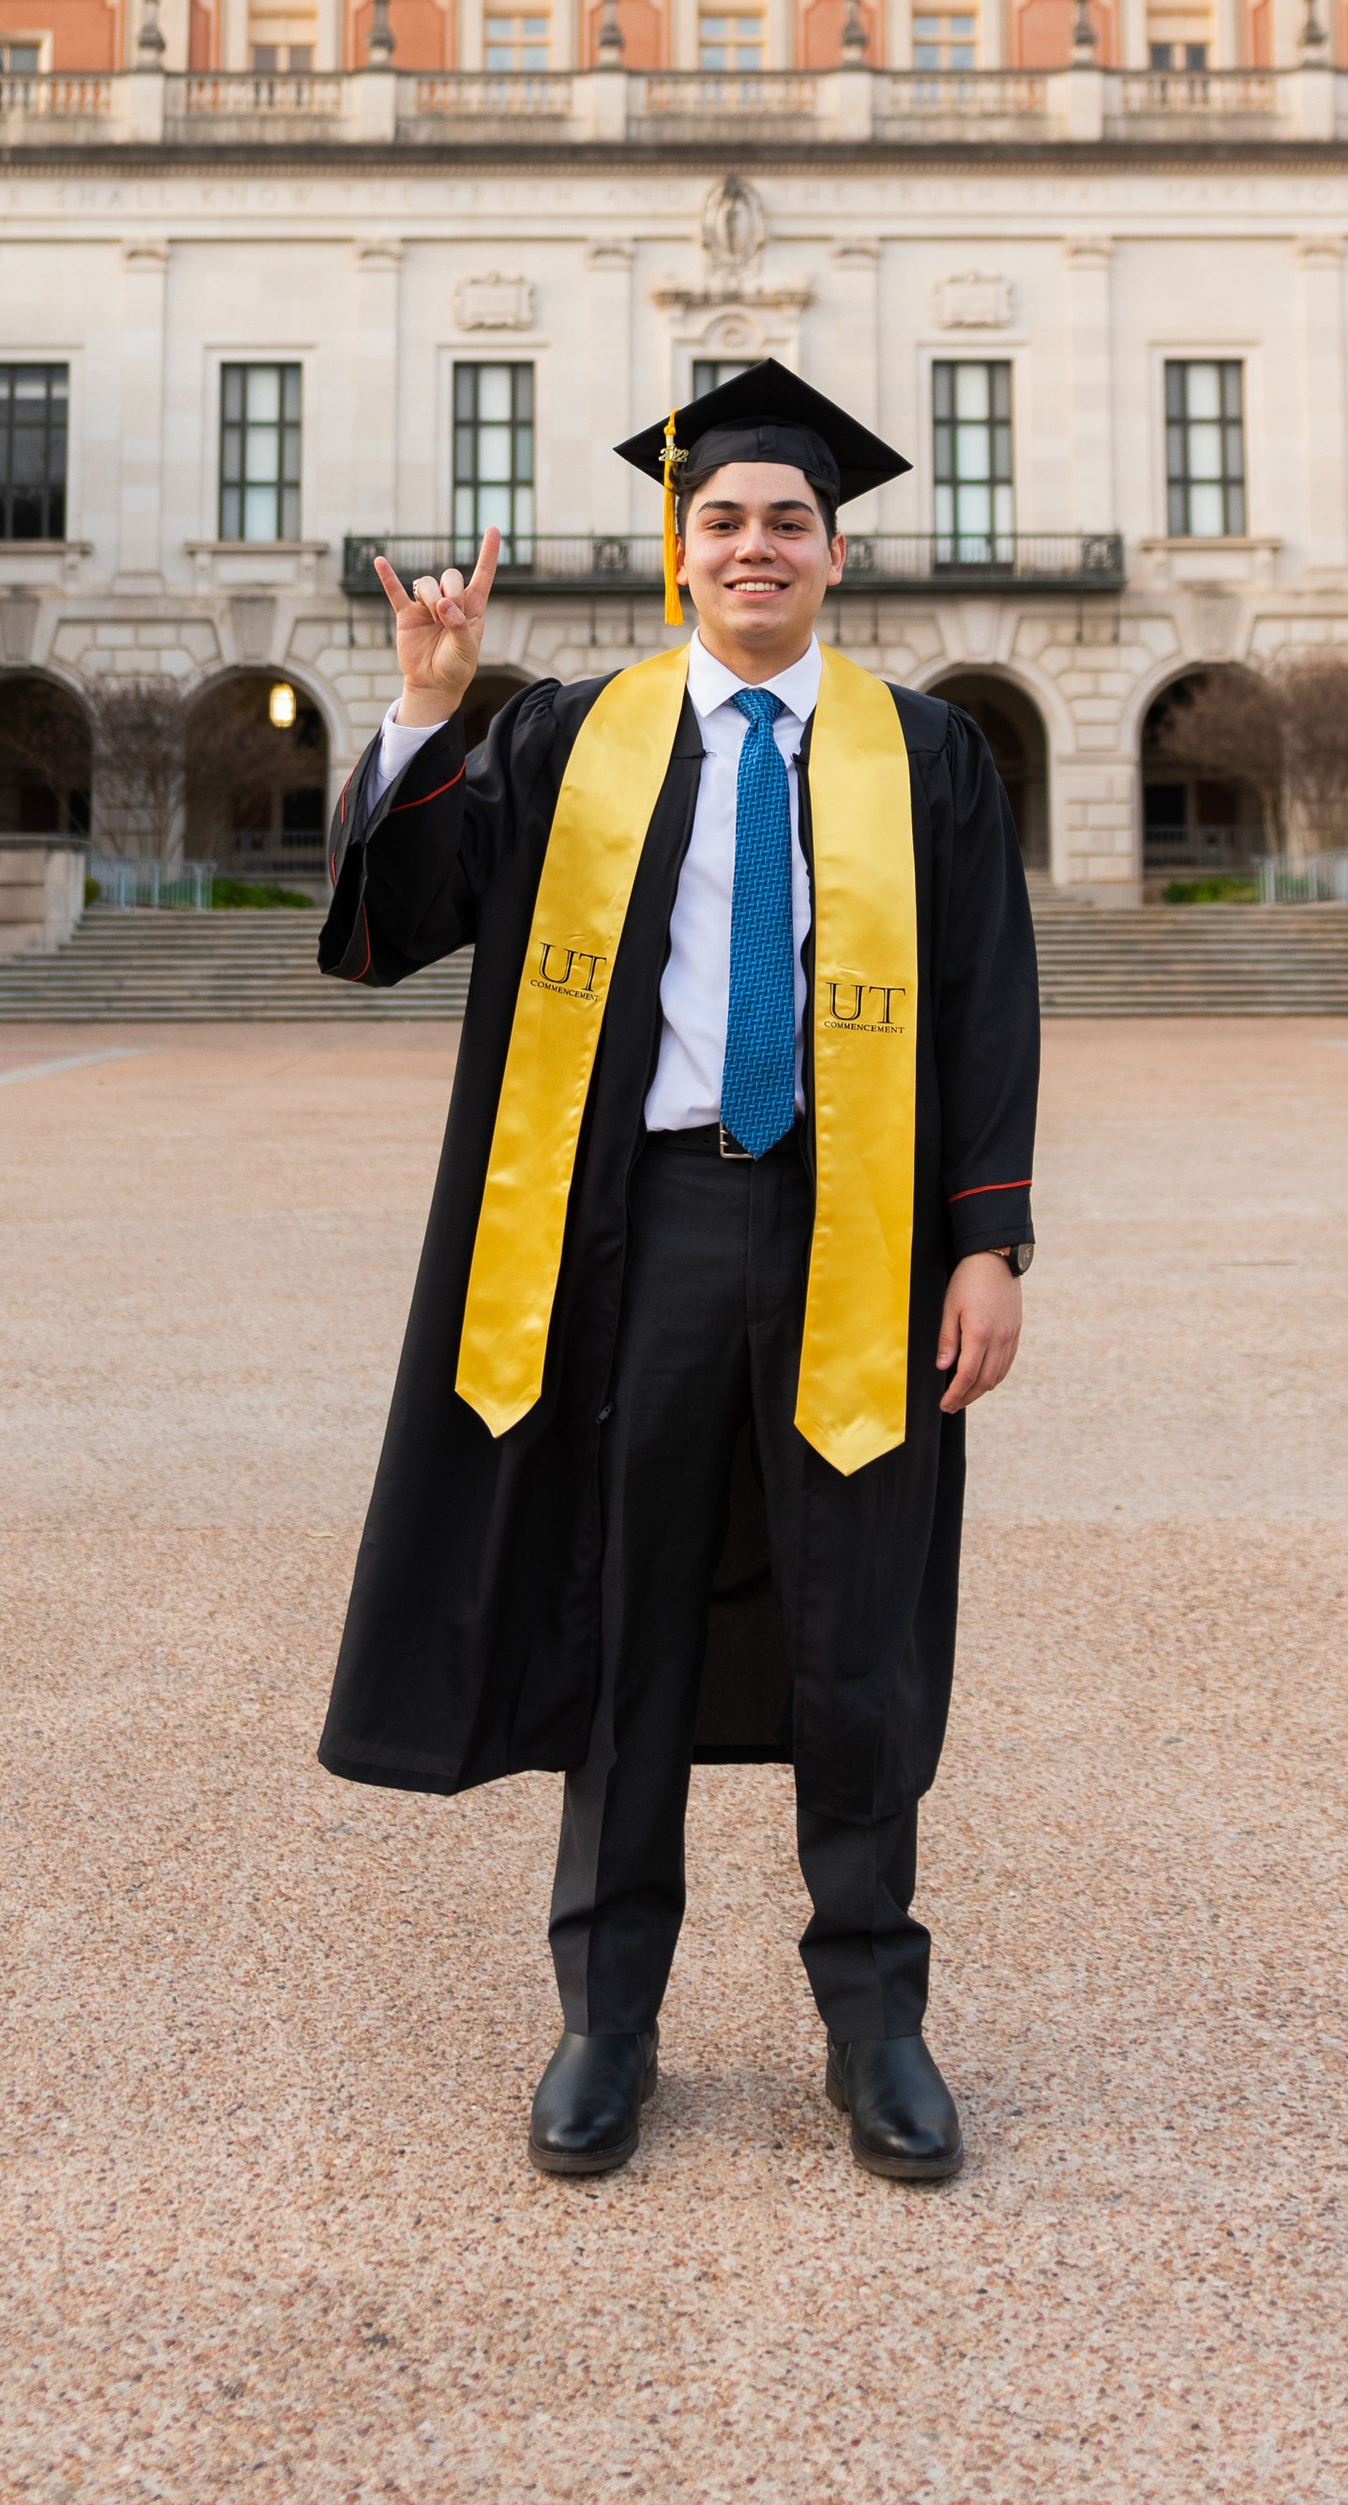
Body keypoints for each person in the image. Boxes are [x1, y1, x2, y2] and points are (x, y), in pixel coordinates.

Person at [317, 360, 1038, 2184]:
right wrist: (423, 708)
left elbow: (988, 1011)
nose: (754, 546)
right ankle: (606, 2022)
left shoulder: (925, 755)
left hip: (853, 1226)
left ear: (836, 555)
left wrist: (988, 1239)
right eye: (722, 518)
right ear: (678, 549)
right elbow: (398, 926)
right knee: (625, 1612)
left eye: (787, 520)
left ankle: (876, 2021)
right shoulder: (568, 736)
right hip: (633, 1232)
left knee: (857, 1630)